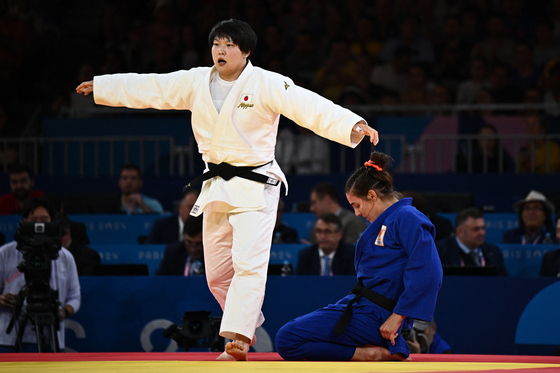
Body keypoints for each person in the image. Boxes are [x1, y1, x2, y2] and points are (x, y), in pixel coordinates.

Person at [76, 19, 377, 361]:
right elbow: (154, 88)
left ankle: (237, 339)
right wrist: (103, 87)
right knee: (217, 273)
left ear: (245, 51)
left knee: (248, 265)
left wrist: (352, 123)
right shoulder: (196, 81)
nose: (220, 50)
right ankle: (246, 314)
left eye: (229, 45)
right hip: (217, 186)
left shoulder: (266, 83)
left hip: (257, 185)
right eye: (216, 44)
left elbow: (308, 106)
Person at [275, 151, 442, 361]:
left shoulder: (407, 217)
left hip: (378, 316)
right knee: (291, 335)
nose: (356, 213)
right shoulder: (387, 220)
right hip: (363, 307)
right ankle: (376, 349)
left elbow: (428, 271)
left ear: (372, 195)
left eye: (356, 205)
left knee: (288, 339)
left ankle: (369, 354)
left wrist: (398, 318)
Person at [0, 197, 81, 352]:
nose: (39, 225)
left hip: (52, 337)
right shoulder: (4, 253)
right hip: (9, 339)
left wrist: (63, 312)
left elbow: (75, 297)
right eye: (33, 220)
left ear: (52, 222)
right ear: (24, 221)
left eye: (44, 220)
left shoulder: (65, 257)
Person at [436, 207, 508, 276]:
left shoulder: (493, 251)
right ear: (460, 231)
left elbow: (503, 282)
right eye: (476, 229)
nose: (482, 233)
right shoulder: (441, 251)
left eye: (483, 228)